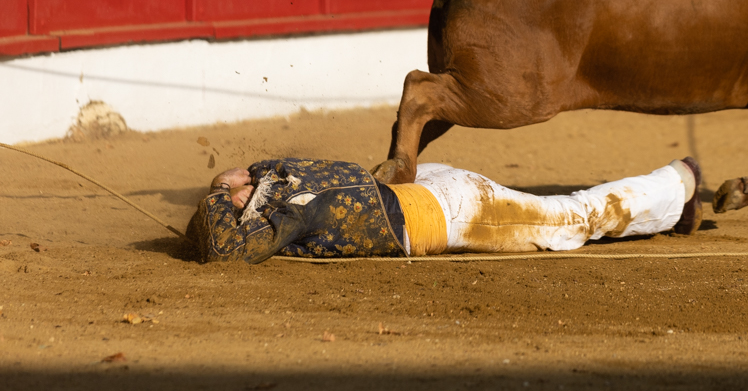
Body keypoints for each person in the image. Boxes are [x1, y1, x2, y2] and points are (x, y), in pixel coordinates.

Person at [187, 156, 702, 262]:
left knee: (569, 220)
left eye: (235, 200)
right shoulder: (279, 168)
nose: (234, 203)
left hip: (449, 210)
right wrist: (224, 187)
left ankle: (678, 180)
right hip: (430, 182)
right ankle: (675, 211)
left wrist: (214, 201)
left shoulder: (289, 206)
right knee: (562, 217)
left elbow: (227, 255)